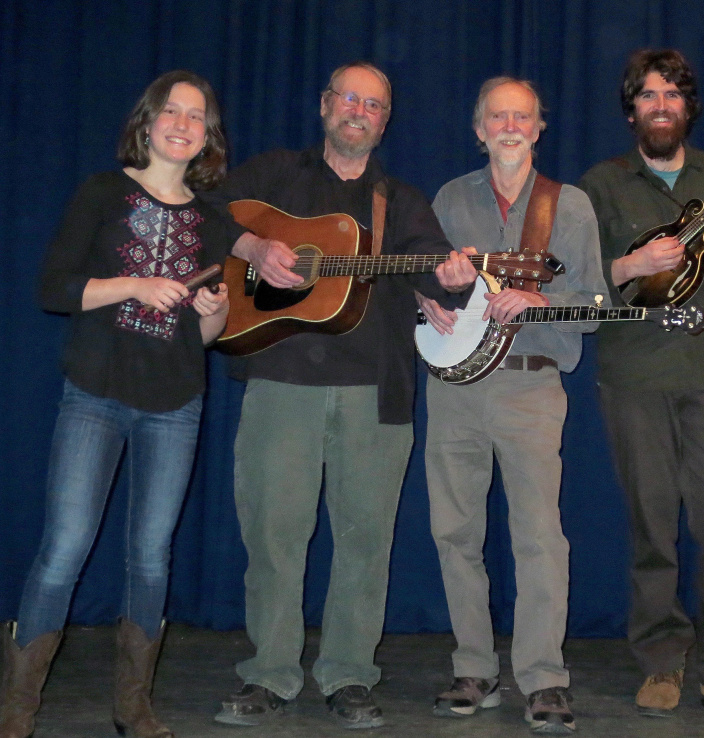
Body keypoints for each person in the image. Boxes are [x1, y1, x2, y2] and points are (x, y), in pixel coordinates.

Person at [208, 62, 473, 731]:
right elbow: (201, 212)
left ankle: (349, 674)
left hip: (373, 391)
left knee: (364, 539)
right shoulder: (274, 173)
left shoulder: (401, 200)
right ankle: (269, 673)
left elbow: (441, 277)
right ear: (326, 105)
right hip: (279, 381)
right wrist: (254, 244)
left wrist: (453, 277)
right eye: (349, 98)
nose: (359, 110)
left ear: (385, 120)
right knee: (274, 535)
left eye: (374, 104)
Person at [0, 70, 232, 738]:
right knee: (66, 544)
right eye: (171, 111)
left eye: (197, 116)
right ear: (148, 120)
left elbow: (206, 336)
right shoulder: (103, 191)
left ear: (207, 136)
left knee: (151, 555)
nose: (183, 123)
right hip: (95, 393)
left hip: (176, 401)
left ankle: (133, 704)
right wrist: (134, 282)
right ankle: (17, 709)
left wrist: (213, 314)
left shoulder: (213, 222)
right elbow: (54, 288)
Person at [577, 48, 704, 721]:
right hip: (631, 377)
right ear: (631, 109)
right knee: (651, 526)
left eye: (672, 95)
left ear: (689, 107)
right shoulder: (600, 185)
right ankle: (661, 661)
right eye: (648, 96)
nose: (661, 106)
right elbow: (575, 284)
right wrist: (631, 262)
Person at [415, 77, 607, 735]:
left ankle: (545, 678)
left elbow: (598, 306)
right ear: (478, 128)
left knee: (538, 538)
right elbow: (423, 282)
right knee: (455, 531)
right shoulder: (448, 199)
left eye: (522, 115)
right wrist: (429, 300)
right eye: (497, 116)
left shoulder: (570, 205)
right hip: (455, 390)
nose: (509, 125)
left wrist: (542, 302)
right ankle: (474, 666)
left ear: (539, 127)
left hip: (530, 385)